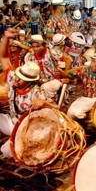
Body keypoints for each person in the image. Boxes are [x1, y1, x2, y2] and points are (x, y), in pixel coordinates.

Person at [0, 28, 57, 158]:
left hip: (27, 128)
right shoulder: (13, 78)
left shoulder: (37, 92)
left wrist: (43, 103)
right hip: (12, 121)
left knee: (7, 152)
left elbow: (56, 108)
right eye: (18, 76)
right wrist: (6, 37)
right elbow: (3, 57)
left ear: (29, 82)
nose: (16, 80)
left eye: (21, 79)